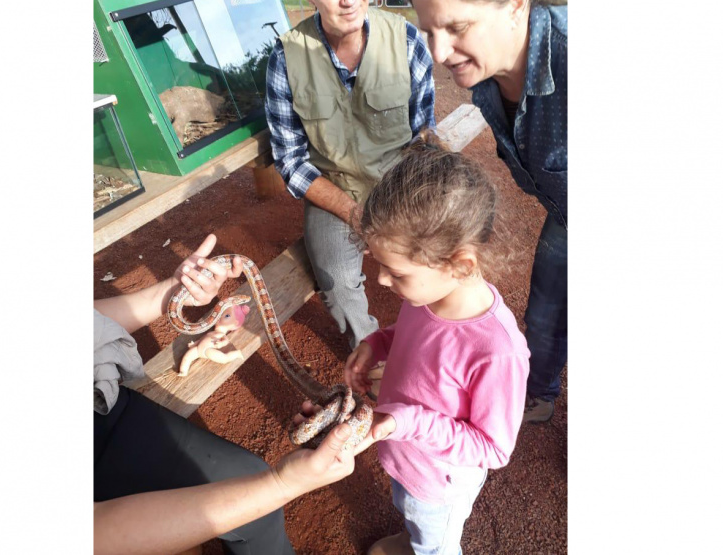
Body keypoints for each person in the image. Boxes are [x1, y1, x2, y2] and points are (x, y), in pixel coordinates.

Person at [94, 234, 360, 555]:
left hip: (101, 408)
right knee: (251, 495)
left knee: (249, 479)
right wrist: (281, 485)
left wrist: (170, 293)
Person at [342, 133, 531, 555]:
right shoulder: (427, 295)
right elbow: (413, 340)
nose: (381, 281)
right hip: (406, 456)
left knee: (436, 541)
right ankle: (414, 538)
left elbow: (492, 448)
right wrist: (377, 343)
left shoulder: (498, 351)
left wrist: (405, 423)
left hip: (438, 481)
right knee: (409, 511)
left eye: (396, 272)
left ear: (460, 263)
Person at [411, 0, 567, 422]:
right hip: (566, 211)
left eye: (457, 27)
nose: (439, 53)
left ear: (516, 7)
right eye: (428, 32)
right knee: (544, 314)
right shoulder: (486, 74)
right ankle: (540, 393)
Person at [265, 0, 436, 350]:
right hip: (335, 187)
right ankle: (371, 354)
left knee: (433, 260)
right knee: (337, 281)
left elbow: (425, 134)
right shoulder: (286, 58)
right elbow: (291, 161)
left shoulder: (405, 39)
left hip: (401, 182)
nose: (348, 1)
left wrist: (416, 203)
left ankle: (436, 345)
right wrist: (353, 213)